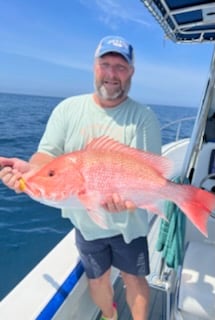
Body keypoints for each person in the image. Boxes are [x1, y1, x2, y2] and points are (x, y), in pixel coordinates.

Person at [0, 35, 161, 320]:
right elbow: (46, 156)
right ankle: (110, 317)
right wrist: (32, 172)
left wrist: (131, 201)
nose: (112, 74)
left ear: (132, 72)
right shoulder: (67, 109)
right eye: (105, 64)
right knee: (96, 280)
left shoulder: (144, 117)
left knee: (135, 278)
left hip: (129, 224)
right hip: (86, 224)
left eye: (121, 67)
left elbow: (150, 175)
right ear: (94, 67)